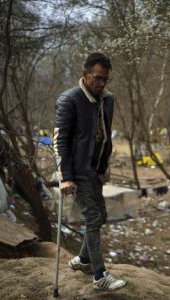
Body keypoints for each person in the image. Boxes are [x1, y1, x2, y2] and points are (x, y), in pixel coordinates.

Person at [53, 53, 126, 291]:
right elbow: (59, 140)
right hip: (76, 170)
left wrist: (104, 168)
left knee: (101, 216)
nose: (102, 83)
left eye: (105, 79)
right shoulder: (69, 100)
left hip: (95, 170)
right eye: (97, 78)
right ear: (85, 75)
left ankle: (83, 260)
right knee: (93, 218)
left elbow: (104, 136)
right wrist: (65, 177)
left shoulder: (107, 99)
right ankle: (100, 275)